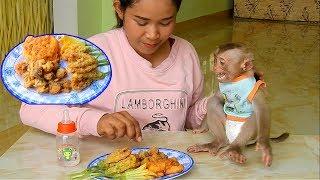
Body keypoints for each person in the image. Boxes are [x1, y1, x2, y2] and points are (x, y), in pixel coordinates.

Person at [20, 0, 208, 142]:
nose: (153, 34)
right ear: (120, 9)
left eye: (166, 22)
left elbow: (188, 118)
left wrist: (214, 107)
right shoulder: (93, 54)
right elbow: (32, 109)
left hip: (170, 166)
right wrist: (95, 121)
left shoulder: (186, 53)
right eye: (141, 22)